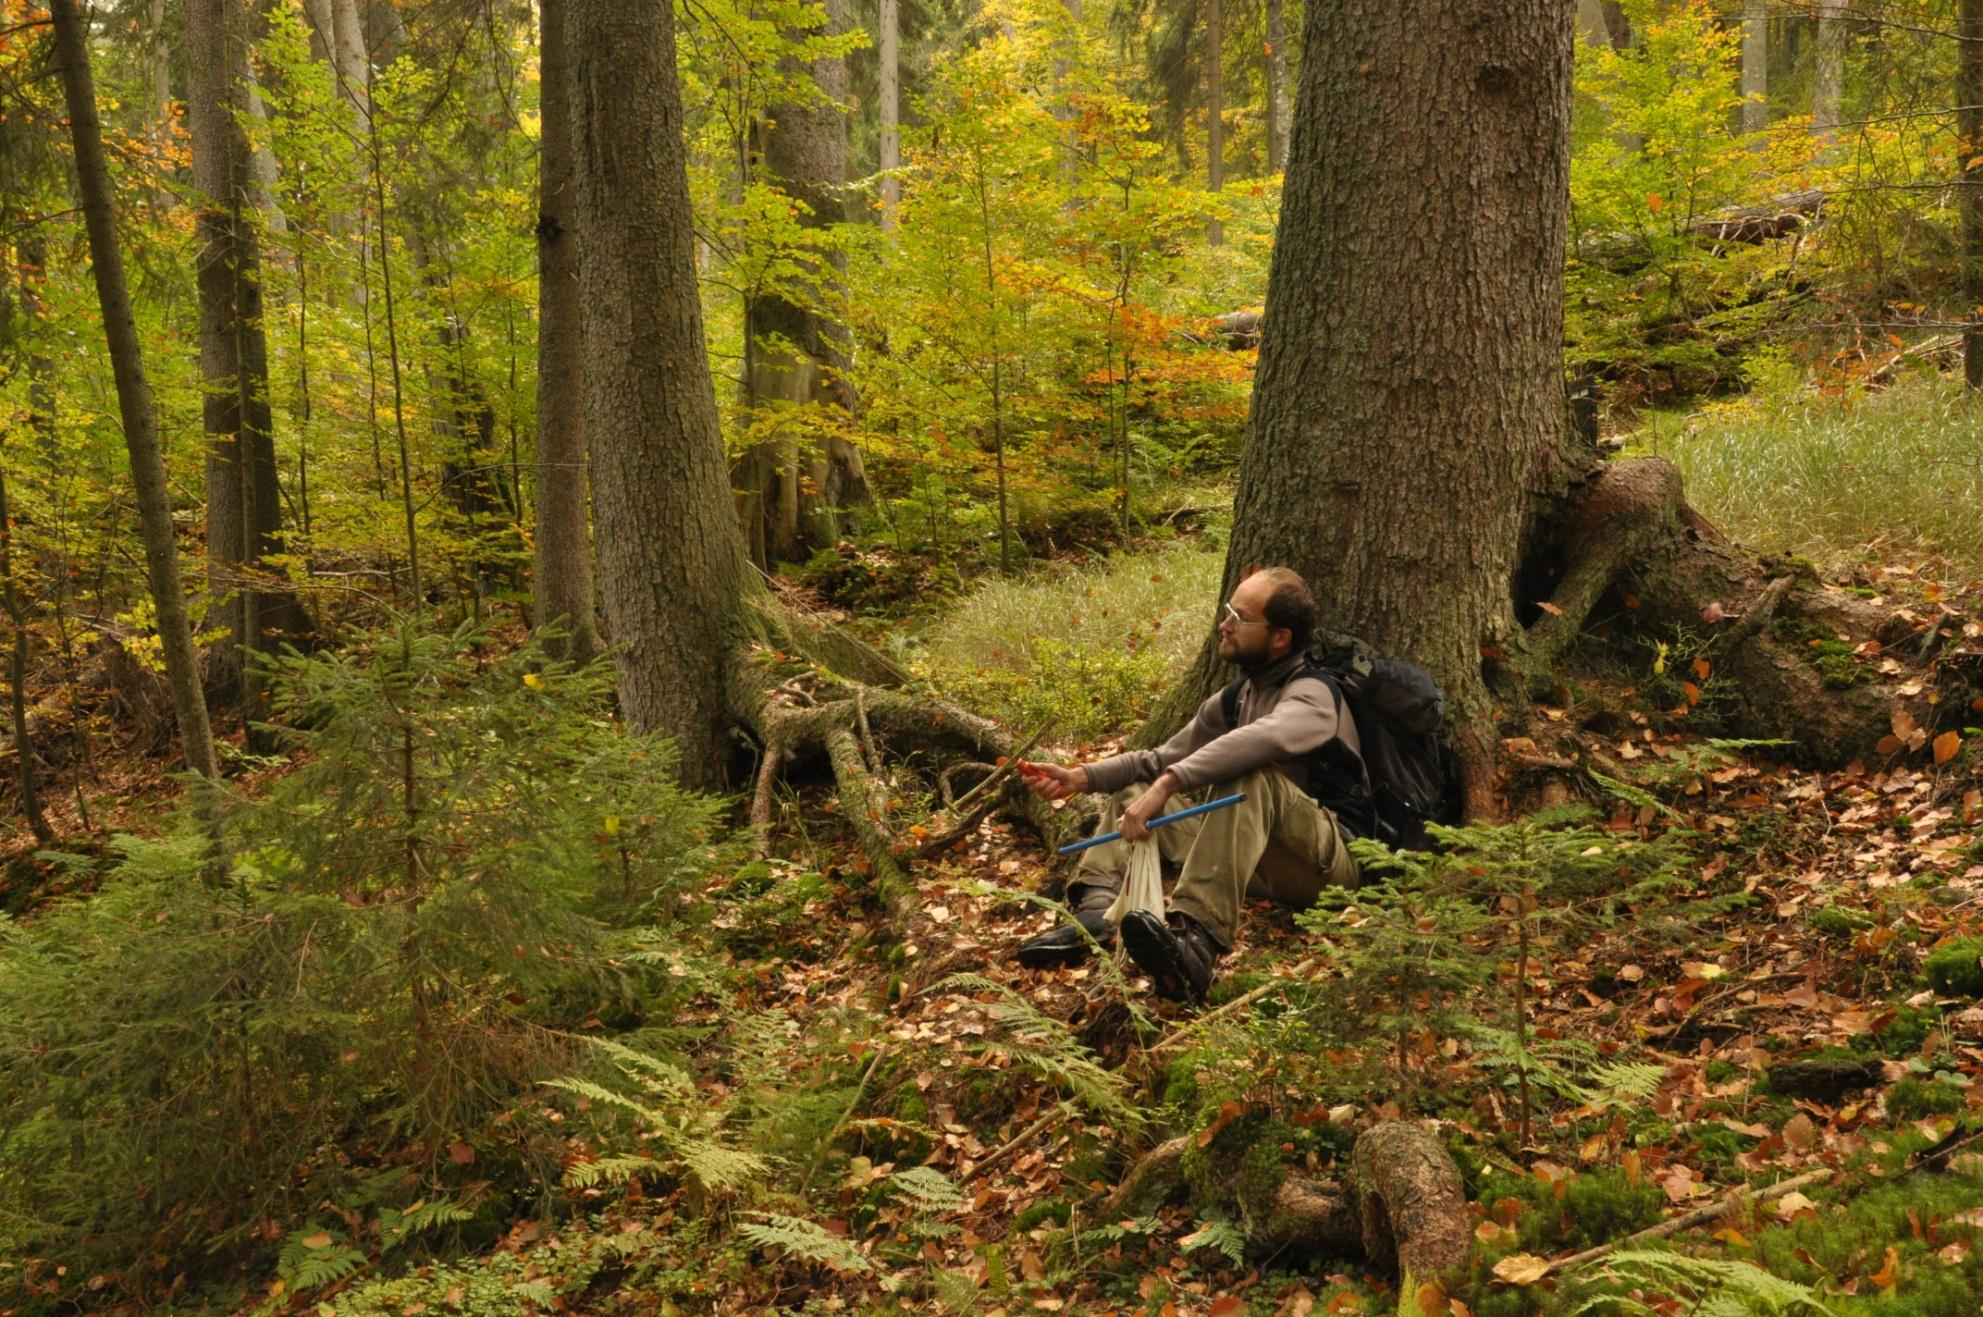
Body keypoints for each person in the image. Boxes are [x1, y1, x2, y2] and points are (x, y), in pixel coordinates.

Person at [1014, 567, 1370, 1002]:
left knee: (1249, 774)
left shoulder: (1314, 695)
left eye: (1239, 618)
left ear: (1280, 637)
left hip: (1326, 868)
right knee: (1135, 788)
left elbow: (1265, 738)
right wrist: (1080, 777)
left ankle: (1195, 943)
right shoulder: (1237, 697)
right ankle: (1095, 912)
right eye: (1227, 613)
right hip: (1254, 860)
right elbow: (1159, 759)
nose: (1224, 625)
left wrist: (1168, 785)